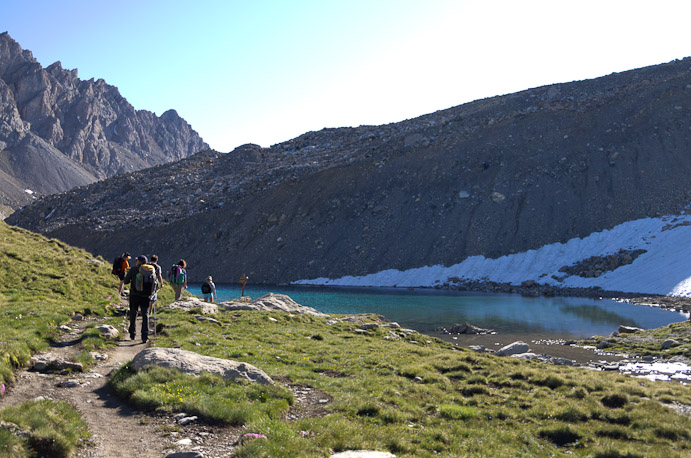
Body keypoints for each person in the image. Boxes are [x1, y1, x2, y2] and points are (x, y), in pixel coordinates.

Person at [121, 255, 156, 343]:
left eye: (137, 260)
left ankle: (132, 334)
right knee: (145, 315)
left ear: (139, 261)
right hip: (146, 296)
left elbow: (126, 281)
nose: (136, 261)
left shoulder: (134, 269)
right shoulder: (151, 270)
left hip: (134, 295)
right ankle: (145, 336)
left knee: (133, 313)